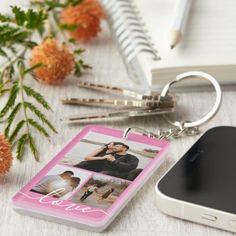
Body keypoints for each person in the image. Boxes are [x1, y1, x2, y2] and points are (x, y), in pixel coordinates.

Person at [74, 142, 139, 180]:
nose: (115, 147)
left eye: (118, 146)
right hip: (100, 170)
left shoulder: (132, 157)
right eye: (115, 146)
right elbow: (90, 158)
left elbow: (130, 167)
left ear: (125, 148)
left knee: (103, 173)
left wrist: (114, 161)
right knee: (83, 164)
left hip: (116, 172)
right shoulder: (110, 153)